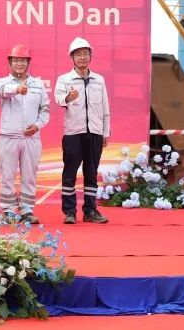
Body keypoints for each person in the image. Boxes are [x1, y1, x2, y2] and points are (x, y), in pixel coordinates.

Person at [54, 37, 111, 225]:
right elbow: (58, 98)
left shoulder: (99, 80)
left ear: (90, 56)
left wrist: (105, 132)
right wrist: (68, 97)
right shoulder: (64, 79)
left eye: (85, 54)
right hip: (73, 133)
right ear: (72, 57)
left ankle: (90, 211)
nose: (82, 57)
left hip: (95, 132)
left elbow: (105, 108)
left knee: (91, 172)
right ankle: (69, 212)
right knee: (69, 173)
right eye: (78, 54)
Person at [0, 45, 49, 224]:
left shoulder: (38, 84)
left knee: (29, 175)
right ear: (10, 62)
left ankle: (27, 210)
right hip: (8, 136)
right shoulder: (1, 82)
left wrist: (37, 125)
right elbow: (3, 91)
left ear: (28, 62)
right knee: (7, 175)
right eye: (16, 60)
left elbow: (45, 109)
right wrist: (18, 89)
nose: (19, 64)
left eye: (23, 60)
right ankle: (8, 210)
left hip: (31, 137)